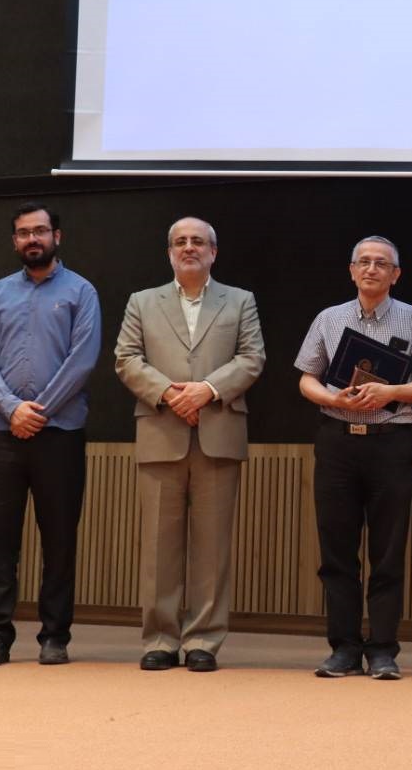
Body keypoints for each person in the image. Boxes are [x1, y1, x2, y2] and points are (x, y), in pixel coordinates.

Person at [115, 217, 266, 673]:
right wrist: (169, 393)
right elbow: (126, 358)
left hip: (218, 431)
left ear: (213, 252)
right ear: (169, 253)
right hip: (161, 430)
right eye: (179, 242)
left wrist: (207, 390)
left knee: (212, 547)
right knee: (158, 546)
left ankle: (203, 639)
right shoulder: (142, 301)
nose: (188, 247)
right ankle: (160, 639)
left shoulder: (240, 300)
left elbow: (252, 357)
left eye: (198, 241)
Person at [295, 235, 412, 680]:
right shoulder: (329, 318)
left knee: (388, 550)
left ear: (396, 274)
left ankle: (382, 649)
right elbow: (306, 378)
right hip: (337, 441)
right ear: (352, 270)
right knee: (336, 550)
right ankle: (343, 648)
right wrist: (331, 396)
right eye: (363, 261)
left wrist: (390, 391)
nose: (372, 269)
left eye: (382, 263)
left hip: (390, 442)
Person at [0, 202, 102, 668]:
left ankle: (55, 635)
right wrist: (12, 409)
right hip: (2, 432)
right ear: (15, 241)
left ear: (56, 237)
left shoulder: (81, 291)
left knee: (59, 539)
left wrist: (37, 411)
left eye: (40, 231)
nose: (33, 239)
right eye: (24, 233)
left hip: (60, 433)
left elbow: (83, 361)